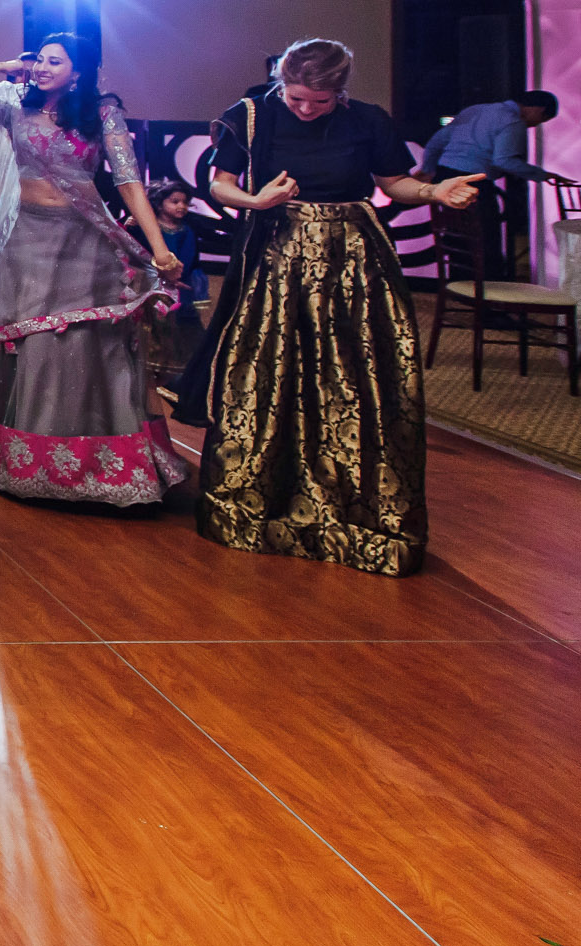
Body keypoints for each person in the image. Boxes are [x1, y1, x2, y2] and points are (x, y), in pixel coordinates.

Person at [181, 39, 482, 577]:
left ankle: (353, 509)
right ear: (281, 81)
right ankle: (260, 505)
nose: (305, 109)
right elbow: (220, 185)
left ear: (340, 92)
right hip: (278, 252)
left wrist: (437, 193)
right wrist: (256, 201)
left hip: (353, 258)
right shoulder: (249, 116)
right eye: (296, 98)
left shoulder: (367, 120)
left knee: (353, 377)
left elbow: (395, 184)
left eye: (319, 102)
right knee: (272, 373)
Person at [0, 38, 185, 509]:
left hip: (81, 241)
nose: (43, 69)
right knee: (23, 341)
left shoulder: (102, 113)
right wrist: (10, 65)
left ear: (79, 71)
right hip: (25, 241)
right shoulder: (15, 108)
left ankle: (84, 463)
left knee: (73, 345)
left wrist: (158, 247)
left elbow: (129, 181)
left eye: (55, 62)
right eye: (40, 60)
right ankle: (14, 460)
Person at [419, 91, 567, 279]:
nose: (534, 125)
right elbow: (504, 161)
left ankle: (460, 287)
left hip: (446, 176)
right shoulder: (513, 122)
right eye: (540, 120)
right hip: (475, 183)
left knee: (457, 235)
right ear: (539, 109)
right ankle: (490, 298)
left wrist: (429, 170)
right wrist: (542, 174)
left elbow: (436, 142)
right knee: (486, 240)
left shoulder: (474, 110)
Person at [146, 179, 208, 382]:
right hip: (152, 283)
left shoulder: (186, 231)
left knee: (184, 327)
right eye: (175, 201)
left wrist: (179, 277)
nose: (181, 206)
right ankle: (157, 366)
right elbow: (140, 253)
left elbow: (189, 257)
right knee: (157, 325)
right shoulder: (149, 228)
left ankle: (185, 371)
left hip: (182, 285)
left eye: (185, 202)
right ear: (158, 203)